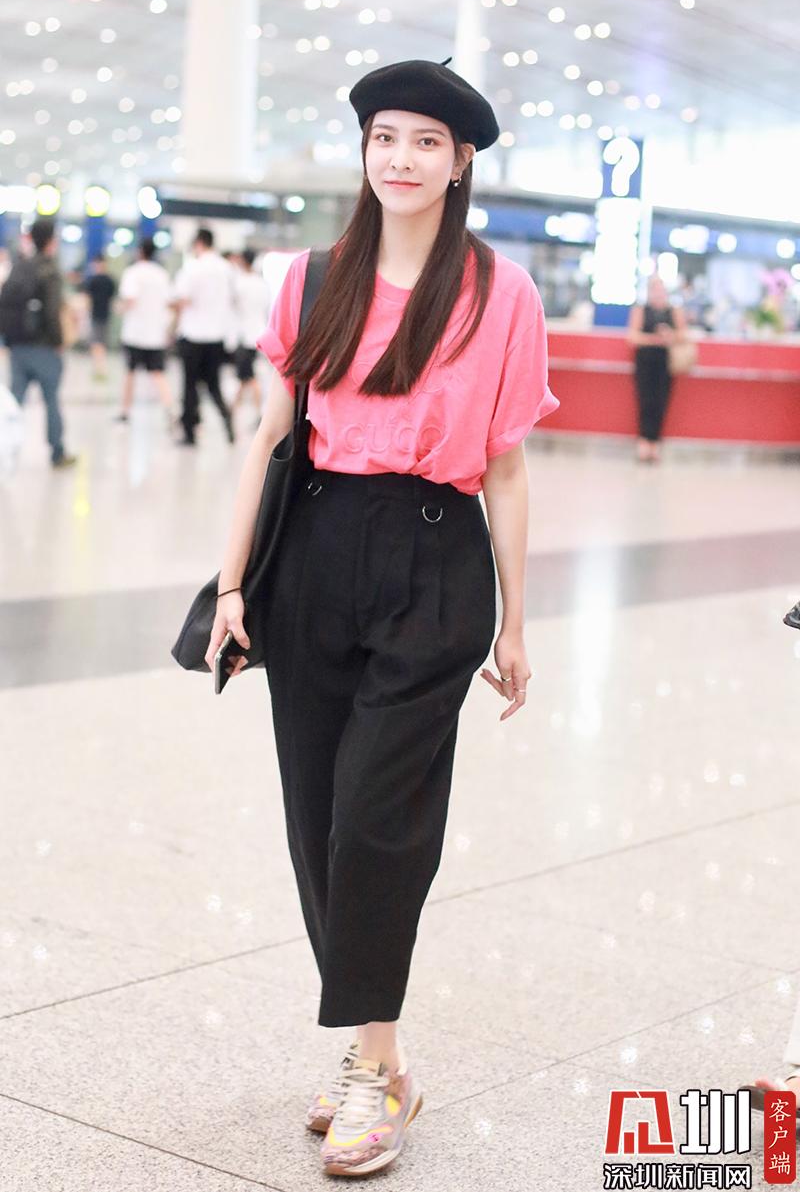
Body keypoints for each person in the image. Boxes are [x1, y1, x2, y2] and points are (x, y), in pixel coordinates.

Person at [202, 57, 558, 1179]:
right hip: (312, 554)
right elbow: (267, 438)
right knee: (317, 816)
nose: (400, 158)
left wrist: (514, 622)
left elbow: (507, 467)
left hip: (434, 561)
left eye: (425, 142)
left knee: (374, 818)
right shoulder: (310, 279)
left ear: (460, 163)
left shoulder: (502, 293)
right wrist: (229, 588)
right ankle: (378, 1057)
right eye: (384, 137)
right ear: (364, 152)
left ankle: (374, 1067)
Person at [0, 218, 77, 468]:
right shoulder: (49, 270)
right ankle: (57, 452)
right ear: (52, 240)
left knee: (14, 403)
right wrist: (58, 341)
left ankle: (5, 450)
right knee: (51, 400)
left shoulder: (19, 266)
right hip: (44, 347)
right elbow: (52, 311)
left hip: (18, 345)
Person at [171, 227, 236, 446]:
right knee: (213, 385)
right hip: (217, 337)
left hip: (193, 336)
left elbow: (182, 299)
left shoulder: (193, 267)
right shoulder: (226, 269)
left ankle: (190, 433)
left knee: (190, 386)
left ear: (198, 243)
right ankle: (227, 419)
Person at [114, 237, 175, 426]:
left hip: (135, 333)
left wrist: (120, 308)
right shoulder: (162, 274)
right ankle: (170, 409)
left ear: (140, 251)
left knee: (130, 372)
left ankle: (125, 411)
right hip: (155, 333)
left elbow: (130, 299)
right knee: (158, 373)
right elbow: (169, 303)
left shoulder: (132, 273)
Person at [628, 275, 687, 463]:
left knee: (661, 402)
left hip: (665, 363)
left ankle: (655, 444)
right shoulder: (641, 310)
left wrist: (669, 336)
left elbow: (683, 335)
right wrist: (655, 339)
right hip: (645, 362)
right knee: (645, 402)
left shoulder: (674, 311)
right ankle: (644, 443)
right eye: (654, 289)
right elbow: (632, 337)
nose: (658, 293)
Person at [230, 249, 271, 424]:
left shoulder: (240, 283)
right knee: (245, 376)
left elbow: (233, 306)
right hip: (259, 332)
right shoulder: (262, 284)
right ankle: (233, 409)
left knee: (249, 376)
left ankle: (260, 412)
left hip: (245, 336)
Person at [82, 253, 116, 380]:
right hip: (105, 315)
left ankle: (99, 369)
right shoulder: (110, 280)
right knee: (101, 343)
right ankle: (101, 368)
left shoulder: (93, 280)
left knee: (96, 343)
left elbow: (87, 299)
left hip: (96, 315)